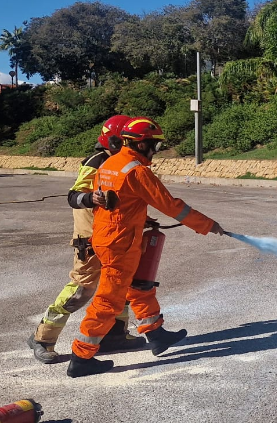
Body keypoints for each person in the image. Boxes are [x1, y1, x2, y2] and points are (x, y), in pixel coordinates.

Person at [68, 116, 225, 378]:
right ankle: (81, 357)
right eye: (155, 145)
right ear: (142, 145)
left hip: (111, 236)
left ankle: (155, 334)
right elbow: (172, 206)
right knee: (109, 300)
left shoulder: (110, 164)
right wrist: (207, 225)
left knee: (139, 283)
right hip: (120, 242)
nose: (157, 151)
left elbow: (115, 202)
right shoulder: (137, 171)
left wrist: (142, 218)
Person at [28, 115, 146, 364]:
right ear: (114, 140)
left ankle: (115, 335)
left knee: (120, 284)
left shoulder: (122, 162)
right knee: (80, 290)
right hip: (91, 238)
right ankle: (42, 338)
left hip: (116, 236)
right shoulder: (96, 162)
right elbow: (74, 196)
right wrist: (92, 198)